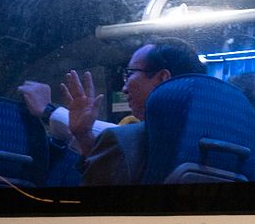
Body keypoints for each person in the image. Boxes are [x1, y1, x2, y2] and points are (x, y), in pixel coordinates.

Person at [61, 37, 205, 185]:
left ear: (162, 78)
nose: (124, 89)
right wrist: (84, 135)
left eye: (129, 74)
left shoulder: (122, 141)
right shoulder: (212, 141)